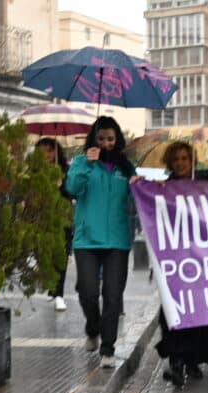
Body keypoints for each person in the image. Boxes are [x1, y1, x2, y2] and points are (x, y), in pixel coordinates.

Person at [65, 116, 136, 369]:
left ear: (117, 140)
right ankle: (92, 328)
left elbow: (138, 198)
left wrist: (145, 188)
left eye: (110, 139)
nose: (106, 143)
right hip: (87, 240)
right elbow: (72, 188)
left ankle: (108, 347)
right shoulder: (81, 162)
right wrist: (87, 164)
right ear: (93, 139)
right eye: (101, 138)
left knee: (113, 295)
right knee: (88, 291)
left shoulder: (125, 168)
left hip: (117, 241)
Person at [154, 141, 208, 388]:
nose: (180, 163)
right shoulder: (162, 188)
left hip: (200, 260)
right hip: (173, 261)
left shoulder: (205, 187)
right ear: (170, 163)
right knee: (172, 310)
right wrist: (142, 186)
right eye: (176, 159)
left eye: (185, 158)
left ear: (192, 161)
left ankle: (192, 359)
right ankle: (176, 361)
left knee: (198, 309)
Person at [36, 138, 72, 312]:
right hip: (41, 219)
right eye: (43, 151)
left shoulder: (66, 170)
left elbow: (72, 193)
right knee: (45, 255)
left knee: (61, 256)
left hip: (63, 219)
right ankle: (52, 287)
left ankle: (59, 294)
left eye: (50, 150)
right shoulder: (35, 171)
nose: (47, 155)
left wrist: (62, 185)